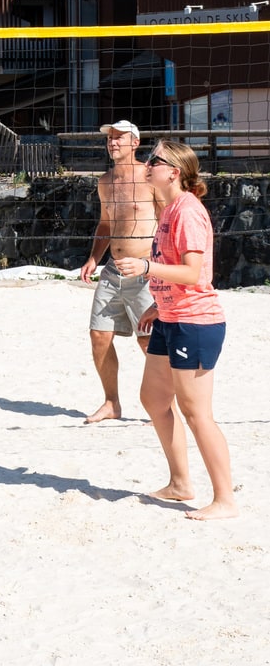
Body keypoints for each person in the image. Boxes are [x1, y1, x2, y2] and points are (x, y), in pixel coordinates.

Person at [116, 139, 237, 521]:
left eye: (155, 159)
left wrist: (146, 269)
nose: (148, 163)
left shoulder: (187, 211)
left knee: (196, 412)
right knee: (153, 399)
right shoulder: (169, 209)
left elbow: (193, 273)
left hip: (196, 323)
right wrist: (158, 301)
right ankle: (181, 483)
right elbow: (178, 274)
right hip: (172, 317)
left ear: (174, 171)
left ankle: (225, 500)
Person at [79, 120, 157, 423]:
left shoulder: (150, 178)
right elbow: (106, 224)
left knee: (148, 341)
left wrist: (158, 266)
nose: (113, 143)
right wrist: (93, 258)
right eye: (110, 138)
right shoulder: (105, 181)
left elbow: (166, 222)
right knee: (99, 336)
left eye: (119, 138)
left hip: (145, 271)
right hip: (113, 271)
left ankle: (164, 402)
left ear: (134, 143)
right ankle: (112, 403)